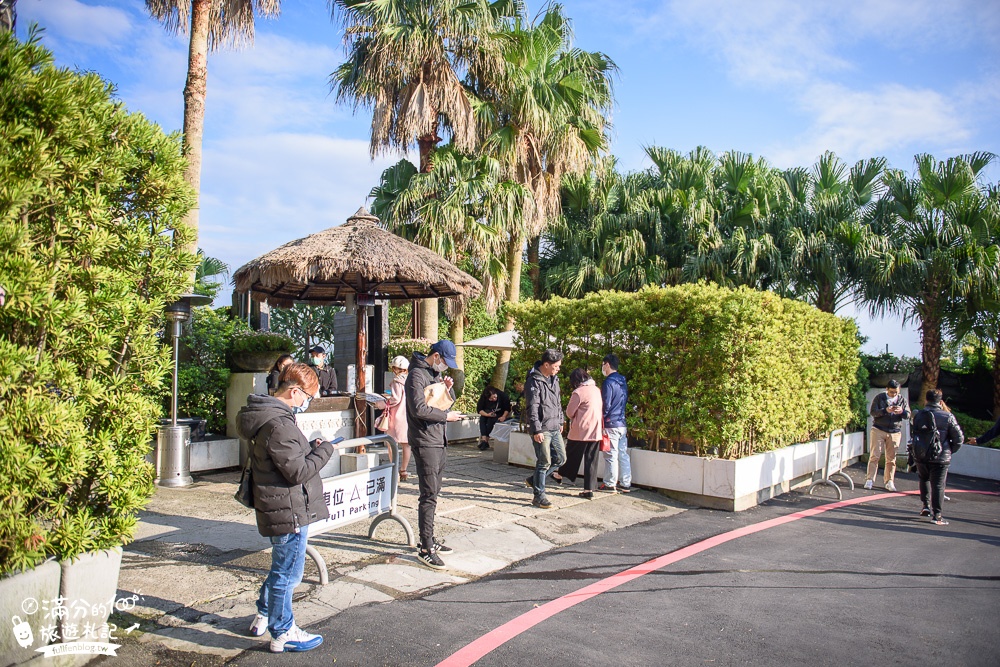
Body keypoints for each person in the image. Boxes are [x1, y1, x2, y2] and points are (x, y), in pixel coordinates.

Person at [237, 363, 335, 653]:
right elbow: (297, 471)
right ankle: (283, 631)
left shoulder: (267, 415)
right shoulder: (280, 423)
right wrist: (325, 450)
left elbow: (289, 458)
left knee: (281, 566)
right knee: (288, 573)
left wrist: (310, 447)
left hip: (277, 503)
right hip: (287, 506)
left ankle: (264, 614)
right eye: (308, 397)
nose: (308, 403)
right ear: (294, 391)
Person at [405, 340, 462, 570]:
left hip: (438, 439)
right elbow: (418, 409)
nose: (445, 367)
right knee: (428, 494)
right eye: (445, 361)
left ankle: (430, 538)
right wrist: (445, 418)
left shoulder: (433, 374)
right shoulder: (416, 375)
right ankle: (425, 547)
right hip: (425, 440)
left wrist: (448, 389)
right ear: (436, 355)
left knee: (434, 492)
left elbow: (442, 403)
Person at [908, 389, 964, 525]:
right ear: (940, 401)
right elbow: (959, 438)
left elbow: (914, 434)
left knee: (924, 479)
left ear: (926, 400)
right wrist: (950, 450)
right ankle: (937, 515)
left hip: (921, 454)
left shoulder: (918, 415)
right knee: (938, 485)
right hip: (940, 457)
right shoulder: (947, 416)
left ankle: (925, 506)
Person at [524, 349, 565, 509]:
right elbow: (532, 407)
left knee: (561, 459)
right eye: (556, 366)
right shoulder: (534, 381)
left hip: (555, 426)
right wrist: (536, 430)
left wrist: (560, 421)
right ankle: (539, 496)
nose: (558, 369)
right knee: (544, 462)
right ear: (546, 364)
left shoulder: (554, 379)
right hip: (542, 428)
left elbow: (558, 402)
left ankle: (534, 480)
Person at [556, 368, 603, 499]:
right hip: (595, 430)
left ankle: (560, 474)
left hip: (581, 430)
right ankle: (589, 490)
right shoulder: (596, 390)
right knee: (591, 460)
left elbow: (570, 412)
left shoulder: (578, 392)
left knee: (570, 454)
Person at [865, 379, 910, 492]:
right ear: (887, 389)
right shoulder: (880, 398)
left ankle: (889, 481)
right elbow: (873, 412)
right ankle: (870, 479)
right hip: (879, 429)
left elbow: (908, 415)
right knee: (874, 455)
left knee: (891, 458)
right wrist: (885, 410)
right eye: (891, 392)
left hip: (895, 430)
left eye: (896, 392)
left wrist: (902, 412)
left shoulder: (902, 400)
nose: (894, 394)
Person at [599, 353, 631, 493]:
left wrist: (601, 422)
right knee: (622, 453)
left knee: (611, 454)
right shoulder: (622, 381)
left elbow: (606, 404)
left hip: (610, 423)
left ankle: (610, 483)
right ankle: (625, 482)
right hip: (621, 422)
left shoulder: (608, 382)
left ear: (607, 364)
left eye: (603, 364)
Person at [377, 356, 412, 480]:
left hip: (396, 416)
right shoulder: (411, 380)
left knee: (392, 443)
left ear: (396, 369)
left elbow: (395, 399)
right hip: (407, 416)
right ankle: (404, 470)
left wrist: (385, 401)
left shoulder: (397, 381)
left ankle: (395, 470)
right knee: (407, 444)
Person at [476, 385, 511, 451]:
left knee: (491, 421)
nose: (494, 399)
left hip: (500, 414)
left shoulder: (503, 396)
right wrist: (487, 414)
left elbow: (507, 408)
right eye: (491, 399)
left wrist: (503, 416)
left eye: (494, 397)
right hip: (487, 413)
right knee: (482, 419)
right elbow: (479, 409)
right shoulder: (484, 397)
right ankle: (484, 440)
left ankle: (485, 441)